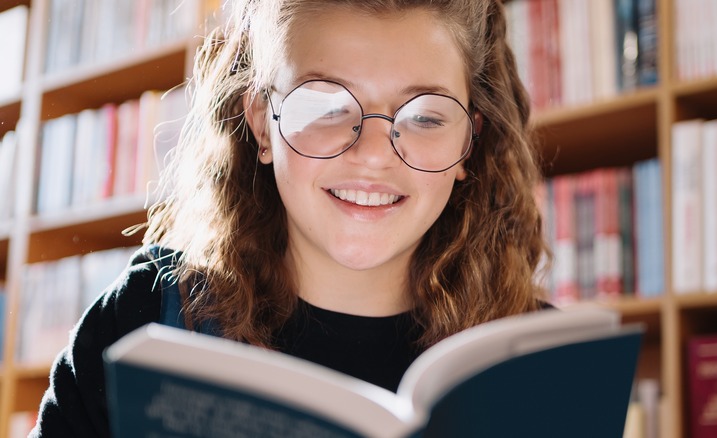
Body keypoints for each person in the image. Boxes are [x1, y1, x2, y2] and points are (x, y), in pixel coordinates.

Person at [30, 0, 550, 436]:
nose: (373, 154)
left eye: (424, 116)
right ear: (261, 123)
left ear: (468, 142)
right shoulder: (144, 317)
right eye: (324, 106)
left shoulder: (542, 361)